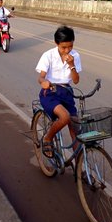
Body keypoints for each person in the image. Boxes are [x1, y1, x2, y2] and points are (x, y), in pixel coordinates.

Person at [35, 25, 81, 158]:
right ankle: (48, 138)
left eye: (70, 46)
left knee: (75, 127)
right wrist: (43, 82)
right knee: (65, 117)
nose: (67, 50)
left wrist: (72, 66)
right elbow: (41, 77)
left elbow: (76, 80)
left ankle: (81, 168)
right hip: (50, 93)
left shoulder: (75, 56)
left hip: (67, 92)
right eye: (63, 47)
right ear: (56, 44)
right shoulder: (48, 55)